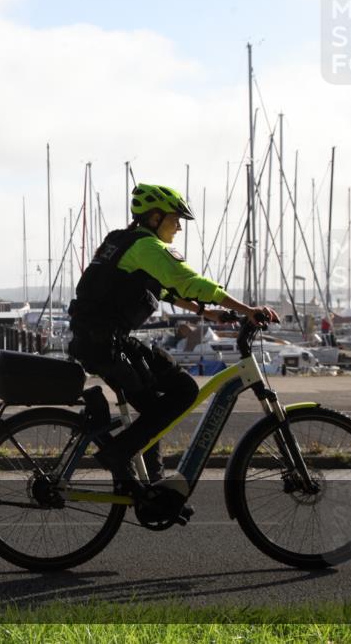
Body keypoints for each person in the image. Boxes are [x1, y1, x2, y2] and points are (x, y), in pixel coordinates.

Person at [68, 183, 278, 485]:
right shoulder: (148, 247)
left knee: (154, 412)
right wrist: (247, 310)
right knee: (184, 391)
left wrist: (205, 312)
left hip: (95, 339)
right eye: (174, 218)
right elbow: (187, 281)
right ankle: (117, 455)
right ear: (155, 217)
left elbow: (161, 288)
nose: (179, 227)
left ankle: (149, 485)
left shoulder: (122, 241)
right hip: (106, 343)